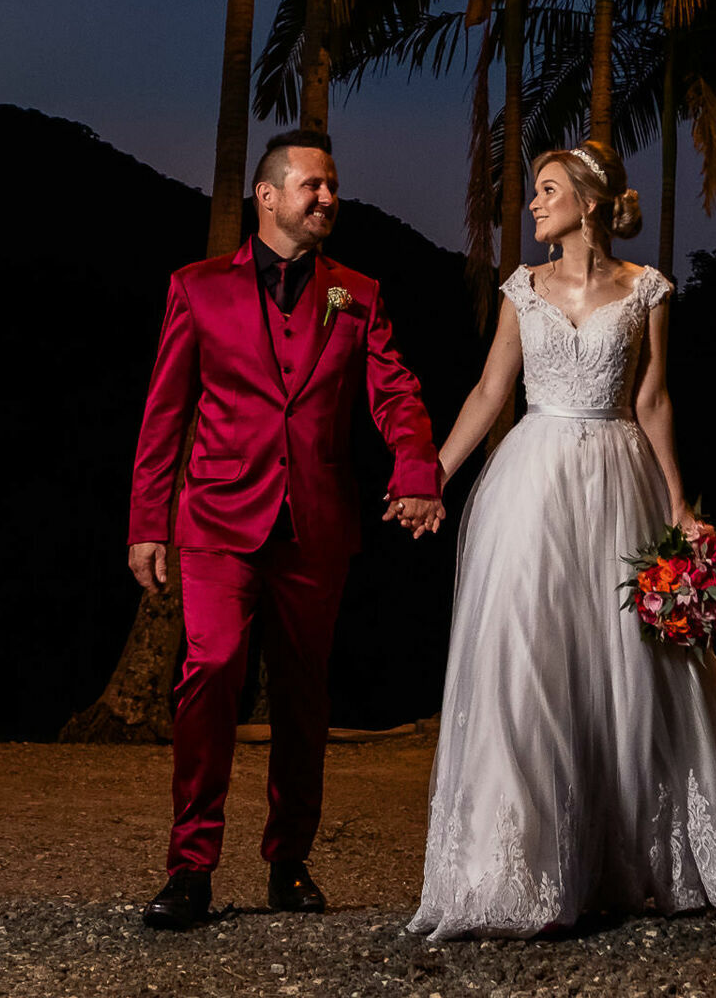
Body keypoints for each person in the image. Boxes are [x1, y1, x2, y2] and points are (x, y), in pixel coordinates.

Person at [407, 141, 716, 939]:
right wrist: (432, 475)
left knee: (628, 666)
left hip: (619, 479)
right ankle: (513, 872)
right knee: (525, 657)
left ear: (587, 197)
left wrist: (680, 504)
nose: (532, 205)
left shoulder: (647, 290)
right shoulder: (523, 289)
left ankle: (624, 860)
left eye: (546, 190)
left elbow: (652, 400)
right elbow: (488, 390)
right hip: (532, 481)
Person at [127, 131, 445, 929]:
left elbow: (395, 393)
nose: (328, 197)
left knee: (304, 692)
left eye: (333, 185)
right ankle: (190, 867)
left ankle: (289, 862)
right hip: (215, 519)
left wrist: (415, 467)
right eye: (313, 185)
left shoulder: (357, 294)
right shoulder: (197, 288)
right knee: (214, 665)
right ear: (267, 197)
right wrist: (146, 522)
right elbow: (165, 413)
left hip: (316, 523)